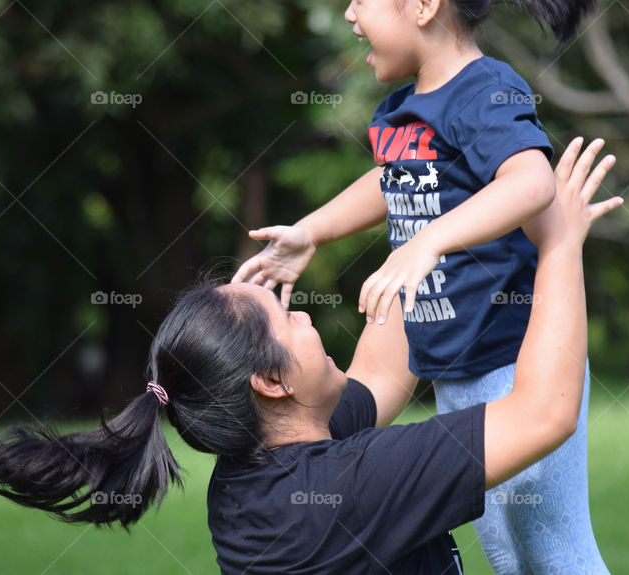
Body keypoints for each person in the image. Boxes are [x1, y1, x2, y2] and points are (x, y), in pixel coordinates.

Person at [0, 139, 617, 574]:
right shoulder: (354, 485)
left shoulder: (253, 478)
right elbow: (545, 413)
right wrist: (559, 241)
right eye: (286, 317)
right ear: (270, 381)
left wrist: (427, 228)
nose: (303, 314)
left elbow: (383, 373)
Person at [232, 1, 606, 572]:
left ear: (425, 6)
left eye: (363, 0)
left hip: (516, 361)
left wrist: (428, 242)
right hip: (454, 368)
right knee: (507, 556)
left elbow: (531, 184)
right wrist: (313, 231)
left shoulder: (485, 88)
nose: (351, 15)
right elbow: (389, 181)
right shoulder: (404, 111)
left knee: (553, 552)